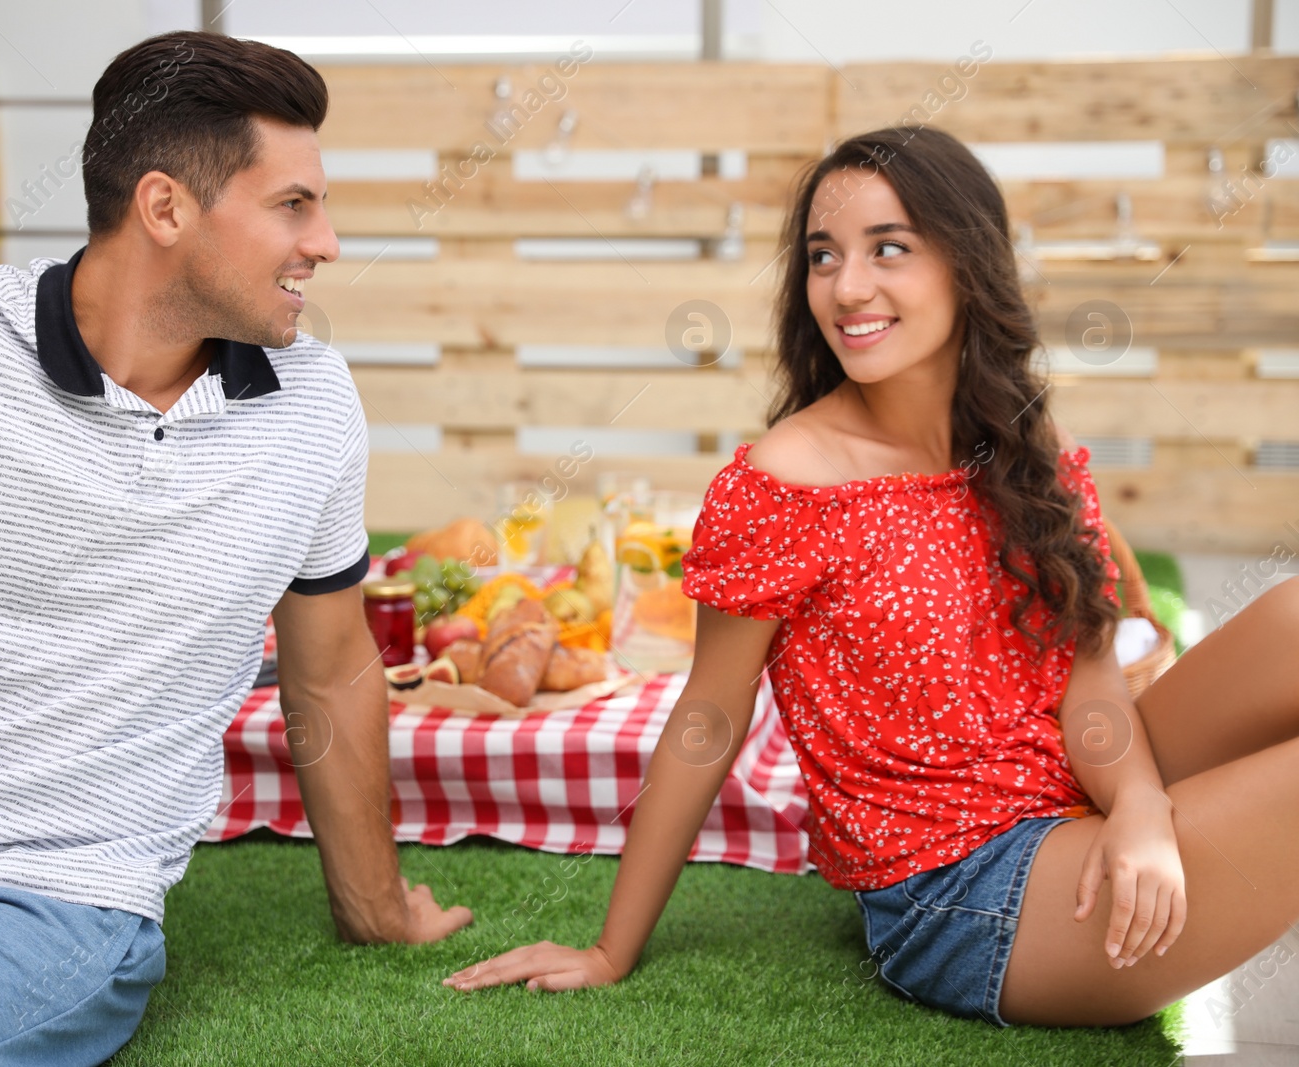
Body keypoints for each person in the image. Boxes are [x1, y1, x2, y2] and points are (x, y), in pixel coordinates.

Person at [0, 31, 470, 1067]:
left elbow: (330, 674)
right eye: (294, 204)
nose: (325, 241)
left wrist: (376, 905)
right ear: (164, 208)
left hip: (50, 905)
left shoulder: (313, 408)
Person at [446, 125, 1299, 1029]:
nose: (847, 287)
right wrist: (611, 946)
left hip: (1071, 785)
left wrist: (1138, 804)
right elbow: (707, 719)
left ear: (967, 265)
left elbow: (1084, 673)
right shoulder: (788, 479)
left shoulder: (1019, 449)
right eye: (824, 256)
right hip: (964, 892)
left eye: (888, 248)